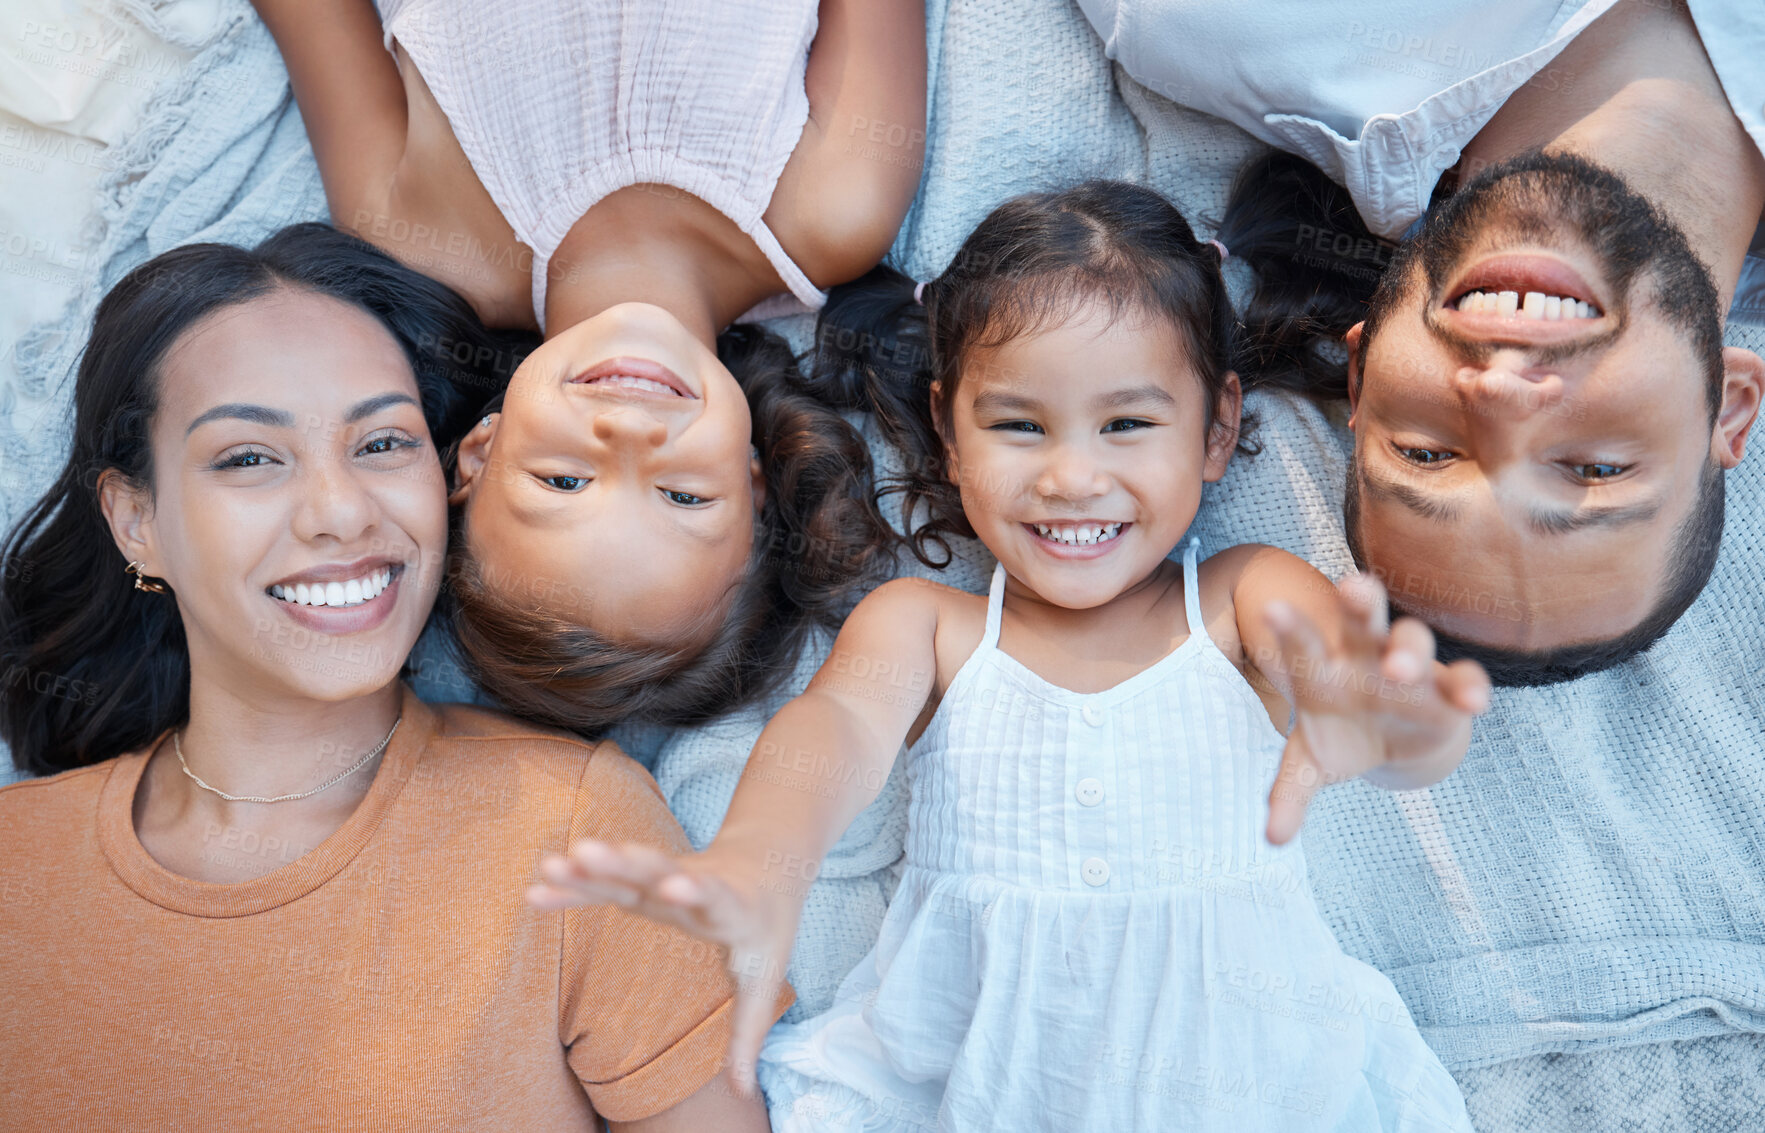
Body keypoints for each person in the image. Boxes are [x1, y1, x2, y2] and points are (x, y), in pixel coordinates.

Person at [529, 183, 1491, 1129]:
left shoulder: (1244, 596)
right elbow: (833, 730)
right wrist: (760, 860)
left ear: (1219, 427)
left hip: (1249, 1069)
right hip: (975, 1075)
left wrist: (1381, 717)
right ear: (949, 432)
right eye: (1018, 425)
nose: (1072, 477)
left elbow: (1350, 689)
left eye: (1127, 424)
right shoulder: (927, 626)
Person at [0, 227, 785, 1130]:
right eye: (249, 457)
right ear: (136, 520)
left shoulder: (574, 830)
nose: (340, 512)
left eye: (382, 443)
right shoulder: (17, 865)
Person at [250, 0, 926, 732]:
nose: (628, 433)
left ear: (477, 452)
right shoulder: (835, 207)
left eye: (563, 480)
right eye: (683, 496)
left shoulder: (418, 238)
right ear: (752, 479)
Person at [1083, 0, 1764, 680]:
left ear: (1363, 368)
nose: (1498, 393)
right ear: (1728, 403)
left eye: (1424, 451)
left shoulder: (1222, 23)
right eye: (1593, 469)